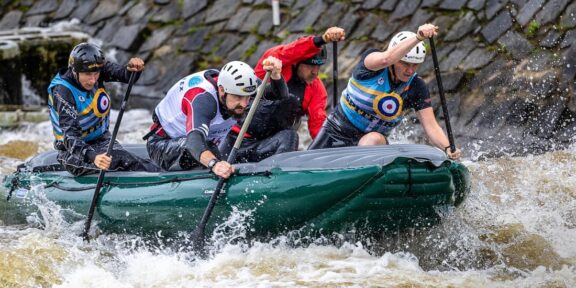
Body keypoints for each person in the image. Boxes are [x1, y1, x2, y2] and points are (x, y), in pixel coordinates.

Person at [308, 24, 462, 160]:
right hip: (337, 129)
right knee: (308, 164)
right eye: (405, 63)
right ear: (396, 59)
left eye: (415, 65)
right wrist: (418, 38)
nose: (409, 70)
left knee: (372, 139)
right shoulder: (371, 64)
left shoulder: (416, 86)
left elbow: (430, 126)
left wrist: (448, 148)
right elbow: (385, 59)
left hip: (372, 142)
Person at [145, 57, 286, 179]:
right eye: (238, 97)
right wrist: (214, 164)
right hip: (163, 146)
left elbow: (279, 96)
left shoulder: (241, 87)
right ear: (222, 90)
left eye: (248, 98)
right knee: (209, 148)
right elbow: (194, 142)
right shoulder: (202, 99)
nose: (244, 104)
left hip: (209, 145)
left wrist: (276, 75)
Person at [47, 42, 161, 176]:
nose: (93, 80)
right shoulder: (62, 91)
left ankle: (160, 173)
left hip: (102, 142)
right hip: (73, 152)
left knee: (125, 158)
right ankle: (162, 176)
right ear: (74, 70)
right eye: (87, 74)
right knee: (122, 160)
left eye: (96, 74)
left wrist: (134, 68)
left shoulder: (98, 69)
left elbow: (126, 75)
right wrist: (93, 156)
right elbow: (69, 136)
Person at [224, 26, 346, 148]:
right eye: (310, 66)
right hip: (239, 136)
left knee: (291, 135)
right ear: (296, 62)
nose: (315, 72)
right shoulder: (273, 64)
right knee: (290, 100)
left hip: (270, 143)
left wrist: (328, 148)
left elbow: (318, 123)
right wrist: (322, 39)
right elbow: (290, 52)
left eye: (318, 67)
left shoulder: (316, 88)